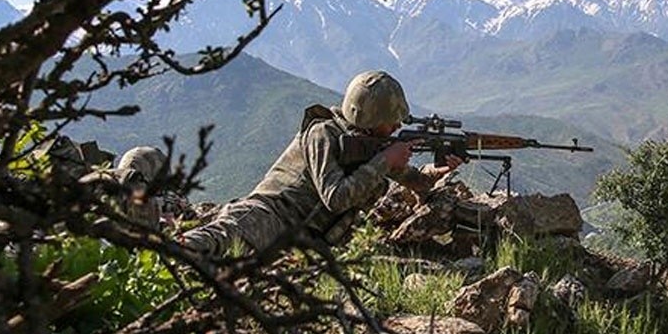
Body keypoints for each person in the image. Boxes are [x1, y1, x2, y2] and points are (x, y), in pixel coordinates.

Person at [179, 70, 460, 258]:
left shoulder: (369, 146)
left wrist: (438, 171)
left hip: (299, 243)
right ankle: (152, 253)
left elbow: (414, 180)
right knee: (203, 246)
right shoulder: (323, 133)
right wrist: (385, 161)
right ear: (370, 119)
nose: (397, 125)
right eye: (391, 120)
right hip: (266, 217)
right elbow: (335, 197)